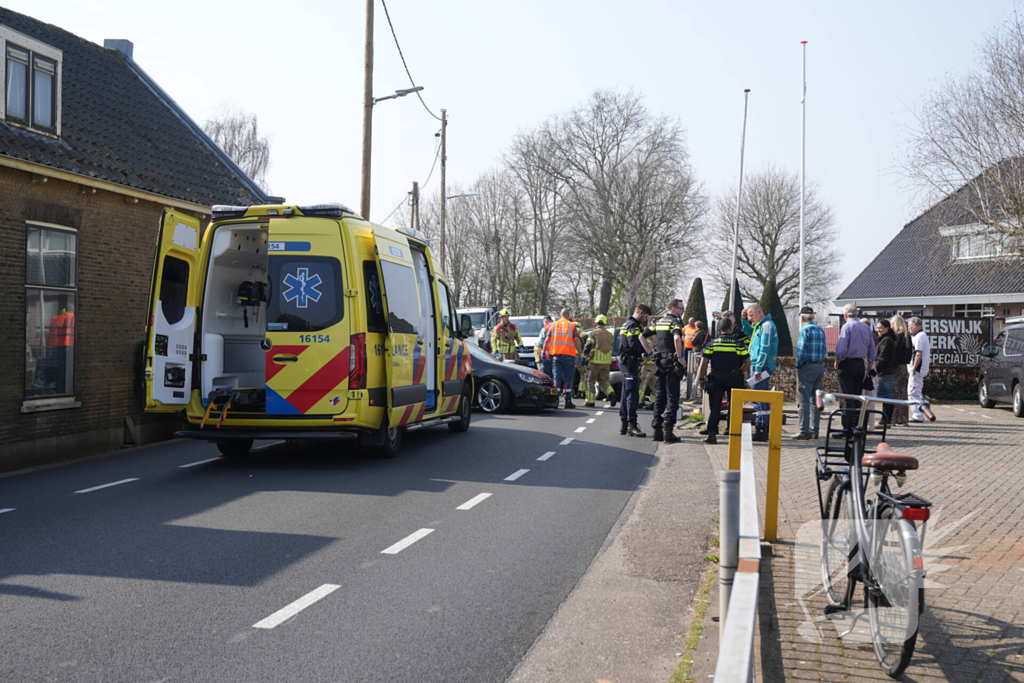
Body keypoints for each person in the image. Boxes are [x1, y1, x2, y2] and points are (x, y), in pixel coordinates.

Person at [697, 317, 750, 444]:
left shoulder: (712, 344)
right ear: (731, 328)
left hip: (716, 378)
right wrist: (739, 373)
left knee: (715, 406)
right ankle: (732, 432)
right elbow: (747, 362)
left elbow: (704, 363)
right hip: (733, 378)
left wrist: (702, 379)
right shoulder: (738, 344)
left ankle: (712, 434)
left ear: (720, 329)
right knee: (734, 406)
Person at [834, 304, 876, 432]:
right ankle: (858, 425)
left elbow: (841, 349)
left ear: (845, 315)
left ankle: (847, 427)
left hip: (847, 363)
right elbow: (872, 349)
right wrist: (869, 365)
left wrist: (837, 362)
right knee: (858, 396)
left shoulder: (847, 327)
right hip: (860, 364)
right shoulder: (866, 327)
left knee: (846, 396)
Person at [649, 299, 687, 443]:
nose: (682, 311)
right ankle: (668, 432)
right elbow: (677, 339)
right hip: (671, 363)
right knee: (672, 397)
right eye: (681, 308)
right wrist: (680, 357)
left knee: (660, 396)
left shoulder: (659, 322)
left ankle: (657, 430)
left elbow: (642, 336)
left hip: (659, 363)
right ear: (673, 308)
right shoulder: (675, 323)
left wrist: (649, 350)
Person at [618, 304, 654, 436]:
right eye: (645, 316)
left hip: (626, 362)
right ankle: (632, 425)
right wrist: (648, 346)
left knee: (625, 393)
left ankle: (624, 425)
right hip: (628, 363)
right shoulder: (633, 326)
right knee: (632, 393)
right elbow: (633, 344)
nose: (646, 319)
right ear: (641, 312)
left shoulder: (626, 324)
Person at [793, 305, 827, 440]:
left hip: (807, 367)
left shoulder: (805, 330)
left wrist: (798, 365)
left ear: (801, 317)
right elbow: (824, 350)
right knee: (816, 399)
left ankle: (804, 430)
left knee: (803, 399)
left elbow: (801, 351)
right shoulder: (820, 330)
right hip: (819, 366)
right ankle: (815, 430)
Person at [748, 304, 779, 443]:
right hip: (759, 366)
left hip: (761, 367)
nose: (750, 318)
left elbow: (764, 348)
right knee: (759, 398)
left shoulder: (766, 326)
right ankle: (763, 428)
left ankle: (761, 429)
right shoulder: (762, 325)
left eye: (751, 315)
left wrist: (758, 368)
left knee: (759, 398)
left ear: (759, 312)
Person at [549, 308, 583, 409]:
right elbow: (576, 341)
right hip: (569, 356)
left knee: (556, 378)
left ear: (560, 315)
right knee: (568, 378)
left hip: (556, 355)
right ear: (568, 315)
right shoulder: (572, 325)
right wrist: (580, 354)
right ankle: (568, 401)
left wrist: (544, 352)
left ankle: (555, 400)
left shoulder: (553, 325)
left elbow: (547, 339)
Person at [583, 315, 616, 407]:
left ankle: (590, 401)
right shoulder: (610, 334)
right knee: (604, 380)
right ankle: (611, 393)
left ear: (596, 322)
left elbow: (588, 347)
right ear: (605, 323)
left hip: (594, 362)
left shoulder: (593, 333)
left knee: (590, 380)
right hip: (606, 362)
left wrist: (584, 357)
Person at [889, 314, 914, 425]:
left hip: (897, 367)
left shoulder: (898, 337)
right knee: (903, 393)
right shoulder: (907, 336)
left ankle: (893, 419)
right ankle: (903, 419)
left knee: (895, 393)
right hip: (904, 367)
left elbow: (896, 354)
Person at [873, 319, 898, 429]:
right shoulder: (885, 339)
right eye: (877, 328)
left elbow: (883, 357)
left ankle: (885, 421)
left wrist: (874, 368)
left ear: (887, 328)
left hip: (885, 372)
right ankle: (886, 420)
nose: (878, 330)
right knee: (887, 397)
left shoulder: (887, 340)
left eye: (881, 328)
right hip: (886, 372)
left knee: (886, 398)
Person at [907, 317, 931, 423]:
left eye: (909, 326)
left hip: (917, 369)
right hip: (917, 369)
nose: (908, 328)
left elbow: (918, 353)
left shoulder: (920, 336)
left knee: (913, 392)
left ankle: (918, 415)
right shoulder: (920, 335)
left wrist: (914, 368)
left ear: (915, 326)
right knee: (916, 391)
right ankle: (918, 414)